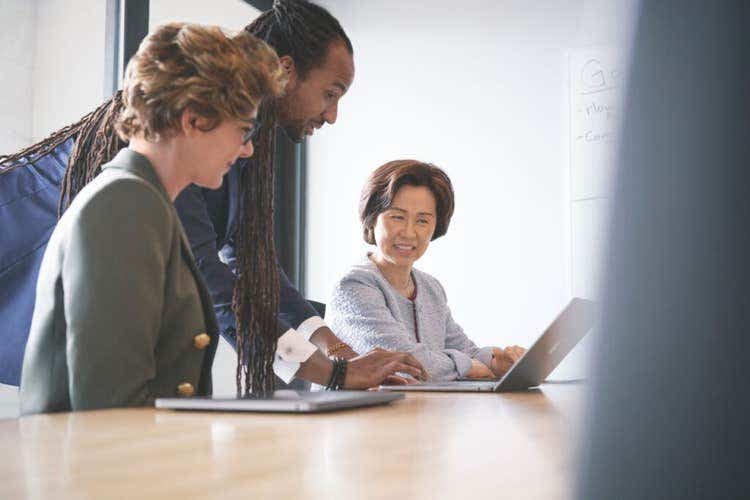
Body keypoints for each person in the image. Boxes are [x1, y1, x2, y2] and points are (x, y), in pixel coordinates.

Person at [0, 0, 427, 391]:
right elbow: (212, 283)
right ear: (193, 120)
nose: (248, 148)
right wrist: (332, 371)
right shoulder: (127, 197)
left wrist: (335, 351)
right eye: (330, 94)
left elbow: (253, 265)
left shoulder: (210, 159)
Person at [20, 23, 285, 413]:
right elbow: (112, 409)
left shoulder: (143, 201)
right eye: (244, 130)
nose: (246, 151)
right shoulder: (125, 205)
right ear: (193, 120)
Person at [326, 160, 526, 381]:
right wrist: (468, 367)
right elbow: (403, 363)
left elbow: (462, 349)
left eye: (422, 220)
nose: (409, 233)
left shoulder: (430, 287)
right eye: (397, 217)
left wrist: (497, 361)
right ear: (372, 219)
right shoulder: (354, 286)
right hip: (360, 414)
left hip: (415, 410)